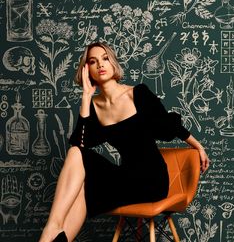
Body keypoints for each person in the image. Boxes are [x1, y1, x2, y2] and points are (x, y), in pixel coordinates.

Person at [39, 42, 210, 242]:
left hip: (151, 179)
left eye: (104, 58)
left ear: (113, 64)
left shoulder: (137, 93)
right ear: (87, 71)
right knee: (77, 158)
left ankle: (50, 232)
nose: (100, 65)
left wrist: (197, 145)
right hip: (125, 176)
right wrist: (86, 98)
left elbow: (168, 125)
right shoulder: (94, 105)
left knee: (86, 185)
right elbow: (80, 143)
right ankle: (55, 229)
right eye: (92, 62)